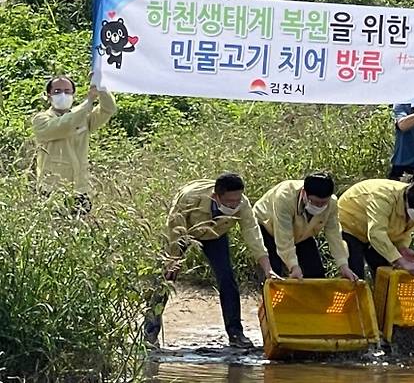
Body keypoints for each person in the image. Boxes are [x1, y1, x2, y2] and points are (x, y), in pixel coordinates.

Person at [146, 173, 278, 349]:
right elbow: (174, 228)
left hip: (215, 235)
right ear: (216, 197)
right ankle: (150, 333)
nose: (235, 204)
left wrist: (267, 268)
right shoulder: (190, 197)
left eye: (237, 200)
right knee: (166, 279)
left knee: (227, 278)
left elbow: (253, 234)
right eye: (230, 201)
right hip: (183, 231)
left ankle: (236, 333)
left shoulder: (242, 203)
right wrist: (173, 258)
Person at [32, 74, 117, 214]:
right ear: (48, 96)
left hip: (80, 188)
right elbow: (65, 124)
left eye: (67, 91)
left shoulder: (83, 118)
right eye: (57, 91)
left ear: (74, 94)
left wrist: (100, 86)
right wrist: (88, 102)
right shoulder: (41, 120)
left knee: (79, 232)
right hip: (52, 189)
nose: (63, 95)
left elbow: (108, 109)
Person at [254, 172, 358, 281]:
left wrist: (343, 265)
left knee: (316, 274)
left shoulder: (332, 203)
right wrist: (293, 266)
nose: (319, 206)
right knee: (274, 274)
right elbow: (284, 237)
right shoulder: (285, 197)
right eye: (315, 202)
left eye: (323, 203)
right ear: (304, 193)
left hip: (302, 233)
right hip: (267, 227)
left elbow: (334, 234)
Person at [338, 177, 414, 280]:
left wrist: (402, 249)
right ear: (408, 200)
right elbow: (376, 234)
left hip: (377, 233)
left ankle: (379, 296)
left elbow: (403, 233)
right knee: (355, 276)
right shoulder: (382, 197)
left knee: (387, 275)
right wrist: (401, 261)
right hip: (349, 226)